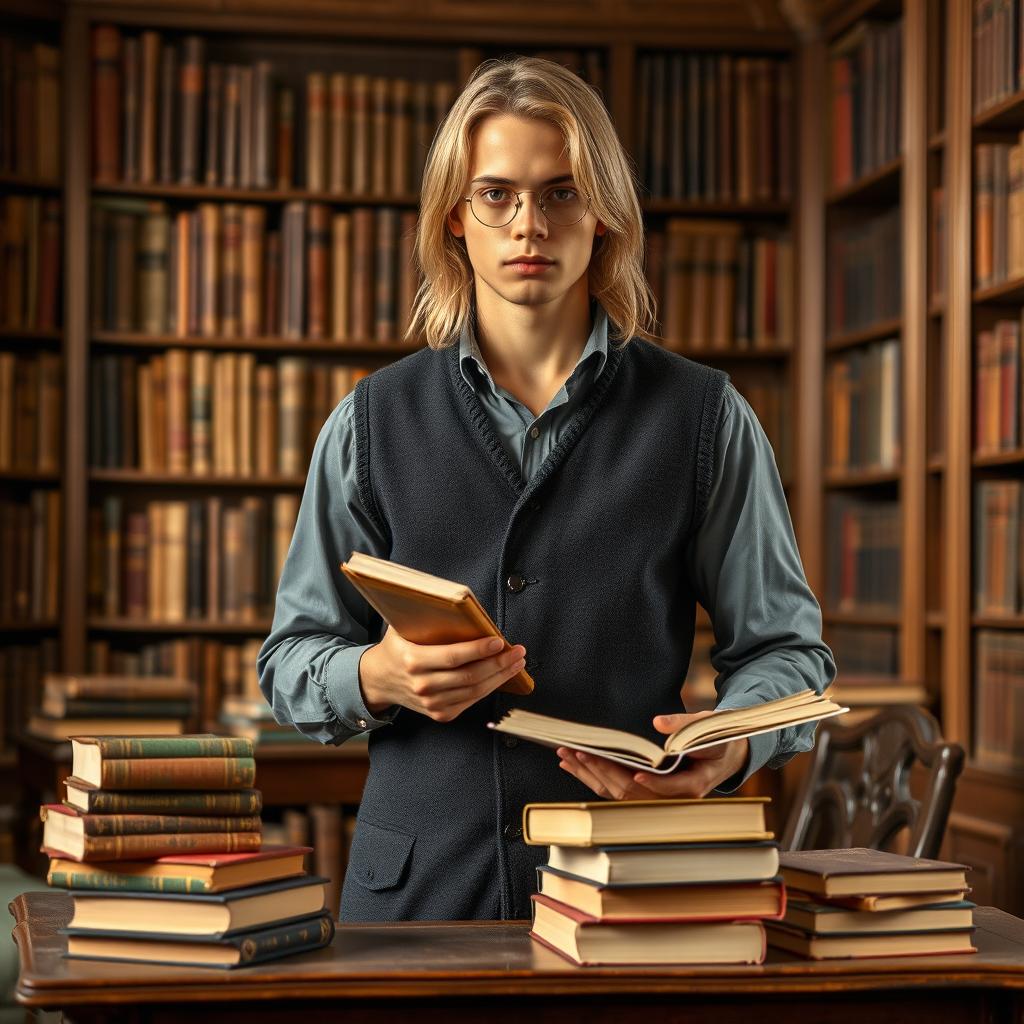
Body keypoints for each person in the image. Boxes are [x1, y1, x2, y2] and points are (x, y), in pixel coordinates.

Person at [257, 55, 837, 923]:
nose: (528, 224)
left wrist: (732, 747)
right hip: (416, 903)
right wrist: (376, 673)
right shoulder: (369, 421)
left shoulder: (706, 417)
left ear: (602, 211)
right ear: (456, 216)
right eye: (497, 195)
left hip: (626, 890)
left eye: (560, 192)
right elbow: (291, 659)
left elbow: (790, 654)